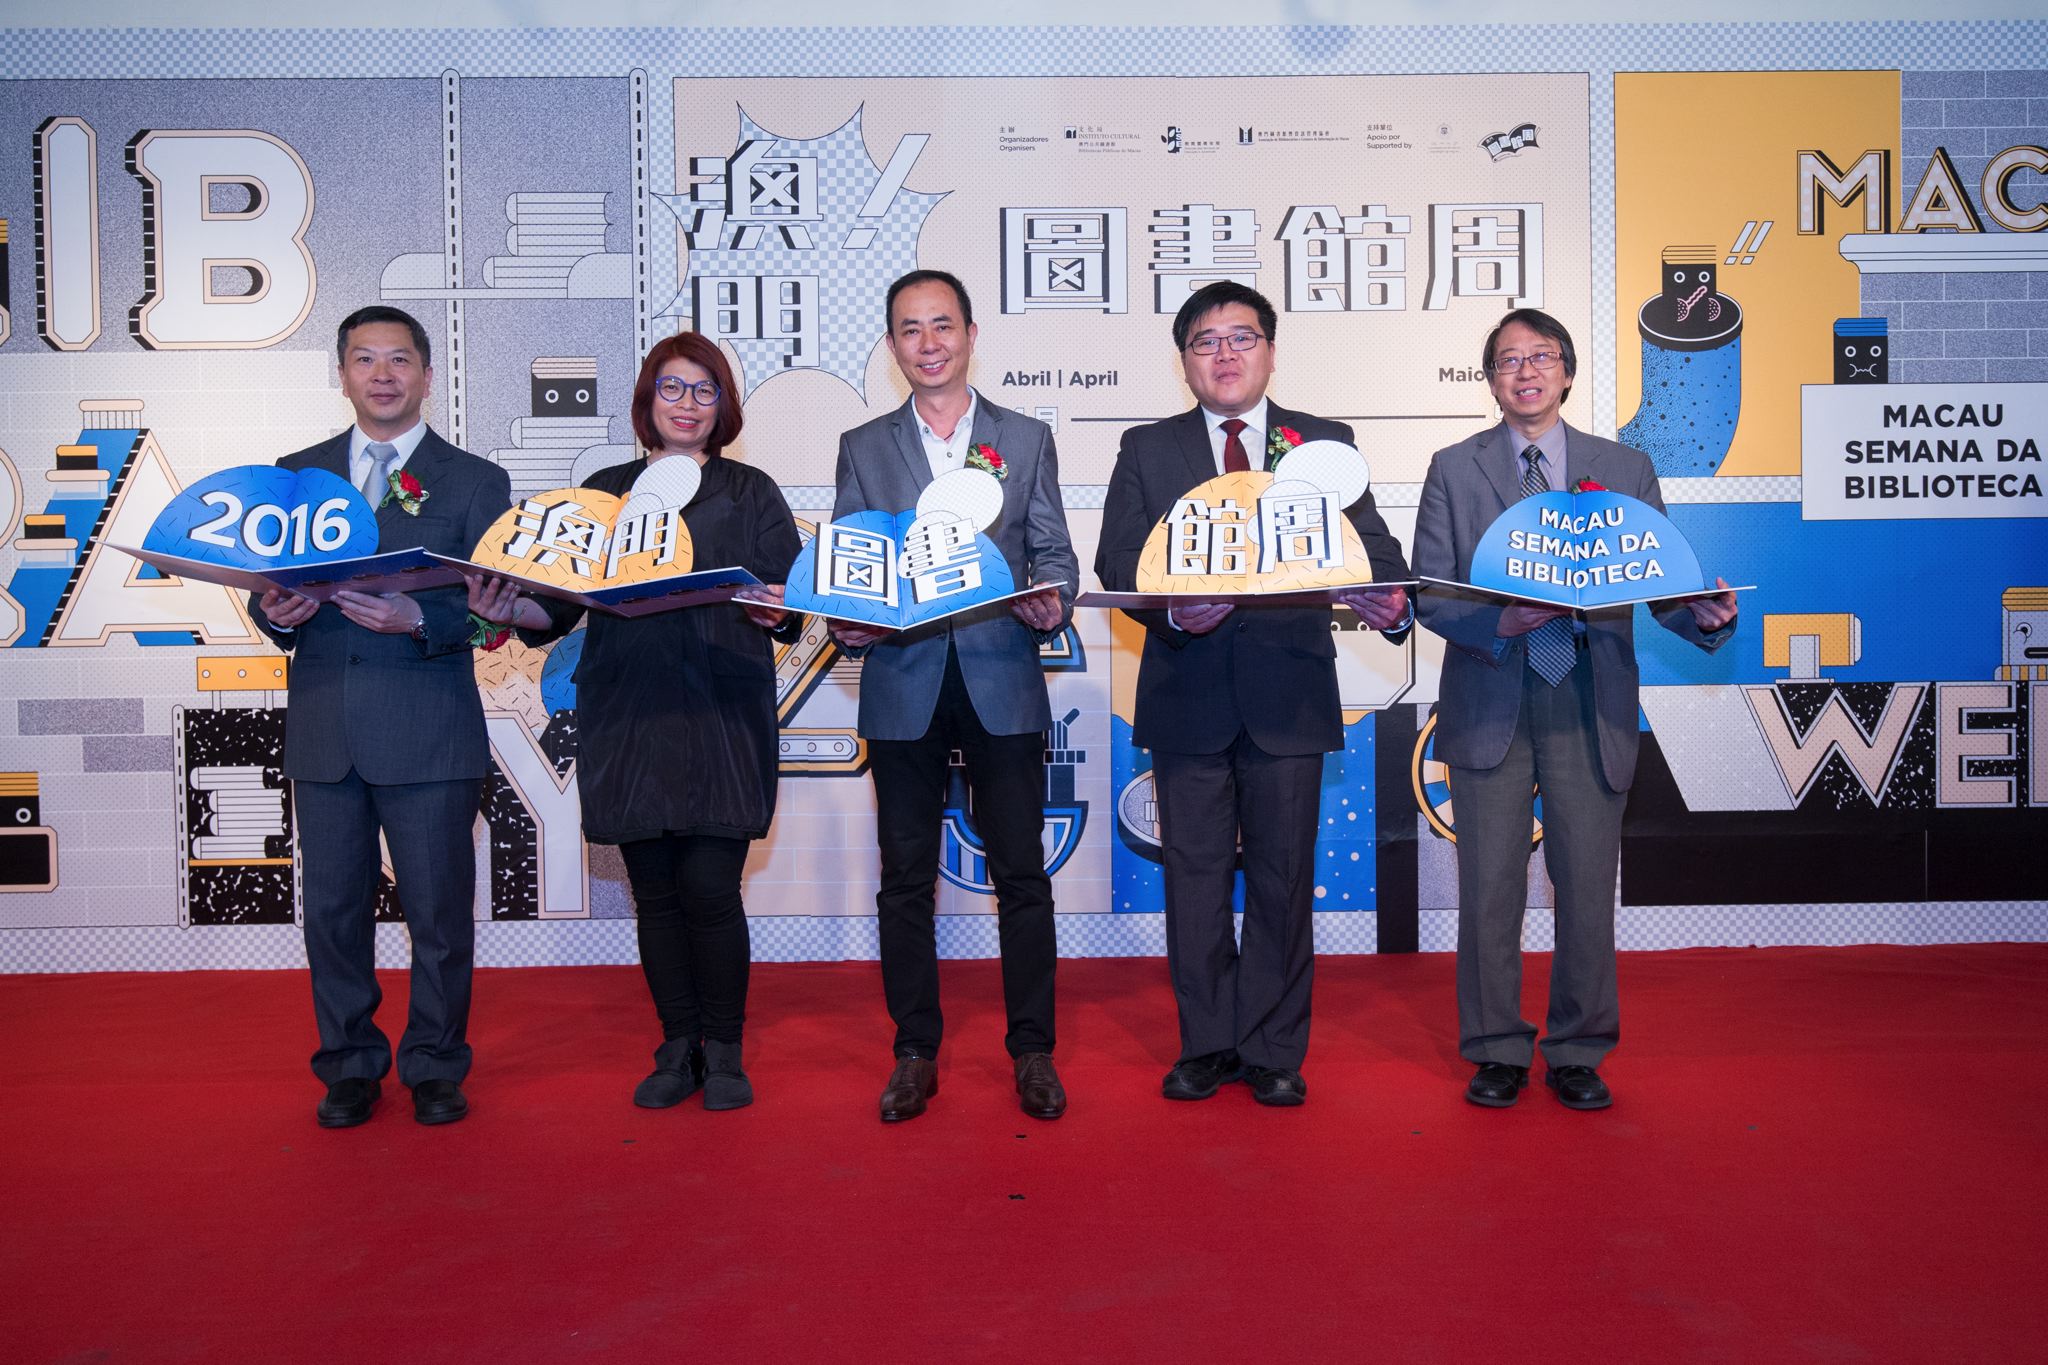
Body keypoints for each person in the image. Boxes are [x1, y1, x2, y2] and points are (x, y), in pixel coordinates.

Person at [1412, 307, 1738, 1111]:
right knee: (1489, 889)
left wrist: (1702, 615)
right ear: (1491, 380)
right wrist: (1499, 623)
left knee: (1587, 886)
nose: (1525, 371)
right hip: (1492, 694)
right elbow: (1431, 592)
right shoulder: (1453, 468)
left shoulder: (1623, 466)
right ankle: (1495, 1048)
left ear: (1566, 372)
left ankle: (1578, 1049)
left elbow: (1659, 581)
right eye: (1508, 360)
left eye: (1541, 357)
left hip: (1591, 699)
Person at [1095, 281, 1412, 1107]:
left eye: (1242, 337)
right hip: (1186, 691)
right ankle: (1206, 1042)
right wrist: (1171, 610)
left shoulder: (1324, 444)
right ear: (1185, 361)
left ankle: (1272, 1046)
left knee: (1282, 878)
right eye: (1206, 341)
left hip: (1289, 695)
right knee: (1194, 880)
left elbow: (1374, 552)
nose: (1225, 354)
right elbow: (1119, 559)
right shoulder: (1148, 447)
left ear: (1270, 351)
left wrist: (1387, 600)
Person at [472, 333, 801, 1112]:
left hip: (721, 711)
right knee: (654, 891)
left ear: (723, 406)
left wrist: (779, 607)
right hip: (627, 711)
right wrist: (503, 606)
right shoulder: (603, 492)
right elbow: (552, 610)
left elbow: (790, 604)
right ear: (647, 399)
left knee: (712, 888)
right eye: (672, 387)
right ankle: (677, 1043)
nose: (687, 404)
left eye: (704, 390)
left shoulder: (751, 492)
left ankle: (725, 1049)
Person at [252, 305, 512, 1128]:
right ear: (342, 375)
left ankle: (434, 1062)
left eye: (399, 359)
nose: (383, 374)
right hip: (325, 727)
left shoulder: (474, 481)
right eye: (364, 359)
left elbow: (498, 611)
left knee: (438, 912)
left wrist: (421, 619)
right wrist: (276, 612)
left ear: (427, 375)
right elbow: (268, 594)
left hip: (429, 727)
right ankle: (349, 1064)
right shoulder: (296, 474)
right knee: (332, 912)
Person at [830, 269, 1078, 1123]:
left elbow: (1055, 551)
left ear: (972, 334)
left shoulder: (1025, 437)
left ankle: (1034, 1049)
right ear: (891, 344)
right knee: (904, 879)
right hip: (902, 681)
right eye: (910, 329)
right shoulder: (864, 445)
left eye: (942, 325)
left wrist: (1052, 598)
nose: (928, 343)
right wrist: (850, 622)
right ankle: (914, 1051)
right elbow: (854, 562)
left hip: (1000, 675)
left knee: (1022, 874)